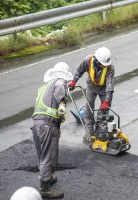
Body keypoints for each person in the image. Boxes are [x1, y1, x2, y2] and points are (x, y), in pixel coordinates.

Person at [31, 61, 72, 199]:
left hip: (37, 124)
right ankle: (45, 189)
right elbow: (61, 86)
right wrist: (62, 103)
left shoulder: (44, 86)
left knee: (42, 155)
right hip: (48, 125)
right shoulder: (59, 81)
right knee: (49, 156)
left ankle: (47, 177)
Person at [68, 47, 115, 141]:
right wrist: (73, 81)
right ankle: (89, 131)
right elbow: (79, 71)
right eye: (102, 64)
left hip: (104, 89)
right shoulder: (87, 60)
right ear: (96, 61)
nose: (104, 66)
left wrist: (106, 102)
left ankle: (100, 131)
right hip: (91, 86)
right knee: (89, 107)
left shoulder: (110, 68)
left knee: (104, 110)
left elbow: (110, 87)